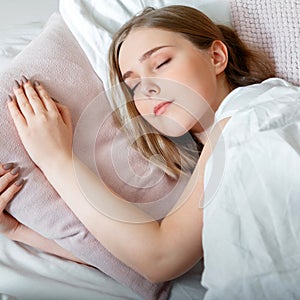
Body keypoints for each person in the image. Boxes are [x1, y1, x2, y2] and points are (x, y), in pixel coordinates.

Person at [1, 5, 299, 284]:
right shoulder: (212, 161)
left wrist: (56, 159)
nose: (148, 88)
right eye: (132, 87)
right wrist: (17, 231)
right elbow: (138, 258)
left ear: (217, 56)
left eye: (161, 62)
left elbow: (159, 259)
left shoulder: (256, 114)